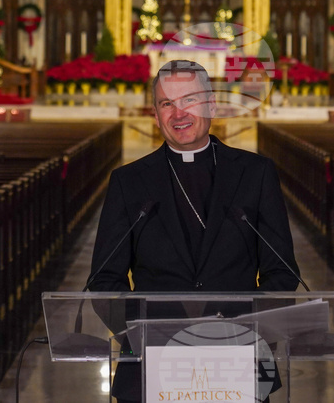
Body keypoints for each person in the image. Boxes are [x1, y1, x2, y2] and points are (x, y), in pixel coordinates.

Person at [88, 59, 300, 402]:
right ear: (155, 115)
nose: (178, 113)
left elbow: (283, 272)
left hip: (239, 356)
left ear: (211, 105)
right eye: (167, 104)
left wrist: (244, 332)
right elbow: (104, 280)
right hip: (150, 361)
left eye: (189, 99)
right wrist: (145, 335)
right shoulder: (128, 182)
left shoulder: (255, 173)